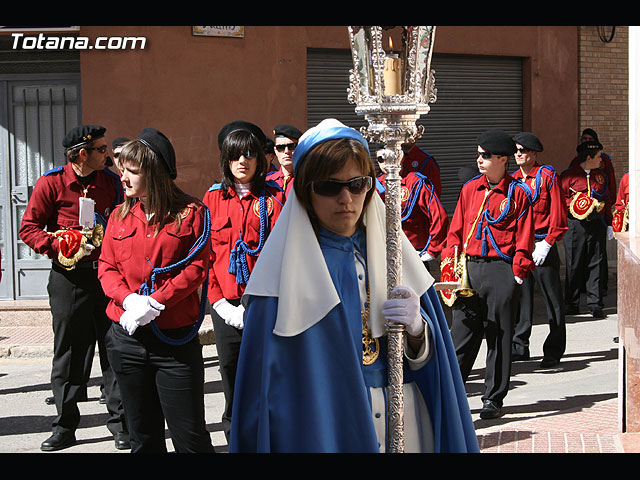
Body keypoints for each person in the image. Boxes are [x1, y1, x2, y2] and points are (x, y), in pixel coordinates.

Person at [228, 119, 478, 453]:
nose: (346, 198)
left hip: (402, 417)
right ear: (305, 190)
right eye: (330, 187)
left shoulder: (395, 256)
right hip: (325, 428)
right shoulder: (280, 277)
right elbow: (264, 394)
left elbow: (434, 366)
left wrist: (418, 331)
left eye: (357, 184)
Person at [98, 128, 215, 453]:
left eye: (131, 171)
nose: (122, 177)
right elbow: (106, 268)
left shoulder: (192, 214)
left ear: (153, 171)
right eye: (122, 170)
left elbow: (196, 268)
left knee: (190, 438)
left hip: (174, 344)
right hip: (127, 340)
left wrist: (155, 301)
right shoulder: (119, 216)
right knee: (143, 438)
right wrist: (130, 300)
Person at [19, 125, 129, 451]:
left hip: (107, 277)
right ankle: (65, 427)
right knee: (68, 354)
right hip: (69, 279)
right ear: (83, 153)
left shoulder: (110, 182)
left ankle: (120, 425)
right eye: (101, 149)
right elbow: (29, 228)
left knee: (114, 350)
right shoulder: (51, 183)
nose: (107, 154)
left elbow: (125, 218)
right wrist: (59, 247)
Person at [442, 129, 535, 420]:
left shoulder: (517, 192)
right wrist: (450, 264)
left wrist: (517, 272)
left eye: (485, 155)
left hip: (500, 268)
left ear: (502, 159)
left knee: (499, 335)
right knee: (462, 334)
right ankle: (451, 394)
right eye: (478, 154)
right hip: (470, 267)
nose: (479, 160)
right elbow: (456, 229)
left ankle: (493, 398)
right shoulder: (470, 189)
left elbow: (525, 233)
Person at [203, 120, 286, 442]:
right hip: (226, 305)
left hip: (265, 304)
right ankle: (236, 440)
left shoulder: (274, 199)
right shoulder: (211, 200)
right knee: (232, 378)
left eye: (250, 154)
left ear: (260, 159)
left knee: (269, 378)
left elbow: (283, 256)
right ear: (226, 159)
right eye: (235, 155)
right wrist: (220, 304)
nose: (242, 161)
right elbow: (204, 259)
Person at [510, 133, 568, 368]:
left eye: (523, 150)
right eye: (516, 150)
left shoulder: (546, 176)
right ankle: (520, 346)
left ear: (534, 154)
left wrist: (548, 242)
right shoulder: (512, 180)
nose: (518, 154)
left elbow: (558, 213)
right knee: (521, 299)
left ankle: (554, 349)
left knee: (552, 299)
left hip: (543, 244)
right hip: (522, 247)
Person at [560, 139, 613, 318]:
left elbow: (606, 199)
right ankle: (571, 303)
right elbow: (561, 201)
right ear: (588, 157)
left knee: (596, 263)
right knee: (574, 263)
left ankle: (595, 303)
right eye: (598, 156)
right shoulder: (568, 176)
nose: (601, 160)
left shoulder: (601, 176)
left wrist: (609, 223)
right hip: (575, 225)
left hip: (596, 223)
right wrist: (577, 204)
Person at [375, 151, 449, 272]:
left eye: (390, 157)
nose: (386, 163)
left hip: (414, 255)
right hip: (384, 254)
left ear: (401, 157)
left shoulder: (415, 182)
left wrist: (432, 250)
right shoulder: (376, 184)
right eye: (381, 159)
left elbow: (439, 216)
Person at [266, 124, 302, 197]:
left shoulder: (306, 180)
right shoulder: (267, 181)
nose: (286, 151)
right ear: (275, 151)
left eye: (291, 146)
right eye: (281, 147)